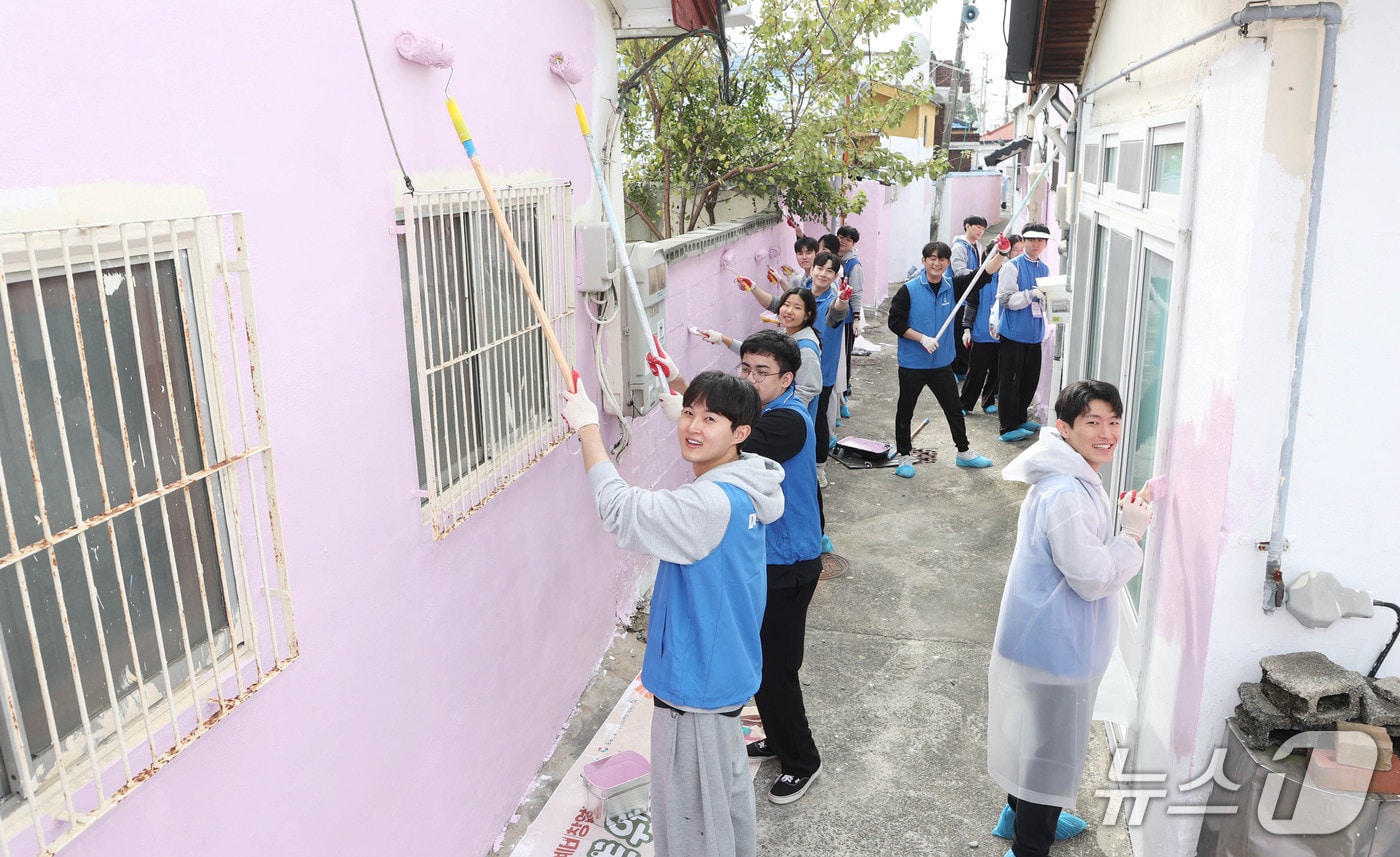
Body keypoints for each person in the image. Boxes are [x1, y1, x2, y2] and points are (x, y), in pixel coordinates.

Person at [561, 371, 784, 857]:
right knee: (723, 806)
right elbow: (709, 447)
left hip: (696, 688)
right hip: (725, 669)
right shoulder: (750, 479)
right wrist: (687, 417)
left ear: (740, 434)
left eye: (710, 419)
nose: (692, 427)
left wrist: (587, 429)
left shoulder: (707, 503)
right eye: (688, 412)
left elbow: (619, 509)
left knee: (692, 828)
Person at [985, 380, 1154, 857]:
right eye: (1092, 422)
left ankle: (1016, 817)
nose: (1106, 433)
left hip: (1040, 635)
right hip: (1055, 643)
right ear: (1065, 427)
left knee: (1034, 736)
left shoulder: (1070, 477)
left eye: (1114, 421)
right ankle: (1027, 847)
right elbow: (1092, 577)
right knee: (1051, 752)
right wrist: (1131, 536)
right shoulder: (1068, 493)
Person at [730, 330, 824, 805]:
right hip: (768, 557)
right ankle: (781, 738)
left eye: (761, 373)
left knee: (776, 667)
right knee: (762, 660)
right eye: (744, 369)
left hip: (788, 562)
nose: (749, 379)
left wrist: (682, 408)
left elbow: (728, 446)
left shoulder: (787, 421)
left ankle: (802, 760)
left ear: (787, 378)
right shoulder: (764, 411)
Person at [886, 241, 997, 477]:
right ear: (924, 260)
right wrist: (921, 338)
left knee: (954, 409)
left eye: (942, 259)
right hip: (913, 363)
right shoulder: (909, 289)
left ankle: (964, 452)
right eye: (932, 258)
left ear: (948, 263)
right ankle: (904, 455)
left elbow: (984, 274)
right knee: (905, 410)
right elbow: (895, 322)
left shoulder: (954, 286)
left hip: (941, 363)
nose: (937, 263)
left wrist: (1001, 252)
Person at [698, 287, 821, 415]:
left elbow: (808, 389)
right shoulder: (788, 333)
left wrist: (786, 416)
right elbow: (759, 356)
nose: (789, 311)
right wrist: (722, 338)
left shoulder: (806, 348)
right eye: (786, 304)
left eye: (797, 307)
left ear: (808, 315)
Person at [995, 223, 1052, 443]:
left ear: (1046, 244)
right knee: (1009, 380)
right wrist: (1030, 295)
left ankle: (1019, 418)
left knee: (1029, 379)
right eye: (1032, 240)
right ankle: (1007, 427)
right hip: (1014, 333)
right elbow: (1006, 300)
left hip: (1035, 333)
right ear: (1024, 241)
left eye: (1041, 240)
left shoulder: (1044, 269)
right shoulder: (1012, 266)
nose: (1036, 244)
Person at [961, 234, 1022, 415]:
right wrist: (966, 328)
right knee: (977, 371)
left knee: (996, 372)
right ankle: (965, 404)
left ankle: (987, 401)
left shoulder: (1010, 274)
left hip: (1004, 332)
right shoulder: (981, 277)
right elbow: (971, 304)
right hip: (982, 332)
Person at [951, 215, 989, 380]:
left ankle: (963, 367)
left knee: (967, 334)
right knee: (958, 333)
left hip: (972, 295)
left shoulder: (978, 246)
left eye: (983, 228)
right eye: (977, 227)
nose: (980, 231)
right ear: (967, 226)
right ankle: (956, 369)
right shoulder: (959, 247)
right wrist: (980, 273)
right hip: (960, 297)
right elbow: (959, 271)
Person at [835, 225, 865, 407]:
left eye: (848, 239)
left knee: (844, 355)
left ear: (853, 244)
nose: (843, 241)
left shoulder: (853, 264)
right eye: (841, 237)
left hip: (846, 319)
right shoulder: (832, 258)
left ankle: (844, 389)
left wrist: (856, 318)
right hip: (832, 316)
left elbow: (856, 292)